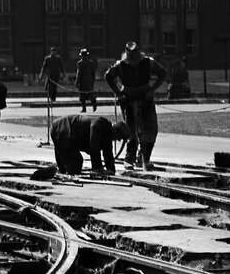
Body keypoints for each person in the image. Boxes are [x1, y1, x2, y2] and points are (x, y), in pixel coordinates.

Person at [105, 41, 166, 170]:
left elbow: (162, 73)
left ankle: (145, 159)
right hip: (128, 99)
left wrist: (152, 90)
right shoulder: (120, 66)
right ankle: (129, 159)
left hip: (146, 99)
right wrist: (118, 93)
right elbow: (108, 76)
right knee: (130, 130)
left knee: (150, 128)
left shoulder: (149, 62)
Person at [50, 113, 116, 176]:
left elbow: (108, 152)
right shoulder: (98, 126)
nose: (118, 140)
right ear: (115, 131)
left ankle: (63, 171)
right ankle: (63, 172)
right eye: (119, 137)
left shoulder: (107, 131)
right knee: (75, 164)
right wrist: (98, 169)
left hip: (64, 131)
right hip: (62, 129)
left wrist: (111, 170)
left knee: (68, 167)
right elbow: (94, 149)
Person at [75, 48, 98, 112]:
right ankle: (94, 104)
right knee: (90, 94)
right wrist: (93, 80)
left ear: (81, 55)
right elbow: (93, 73)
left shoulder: (79, 63)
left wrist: (77, 82)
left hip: (82, 82)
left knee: (82, 95)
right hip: (89, 81)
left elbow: (79, 73)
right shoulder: (91, 63)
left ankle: (84, 109)